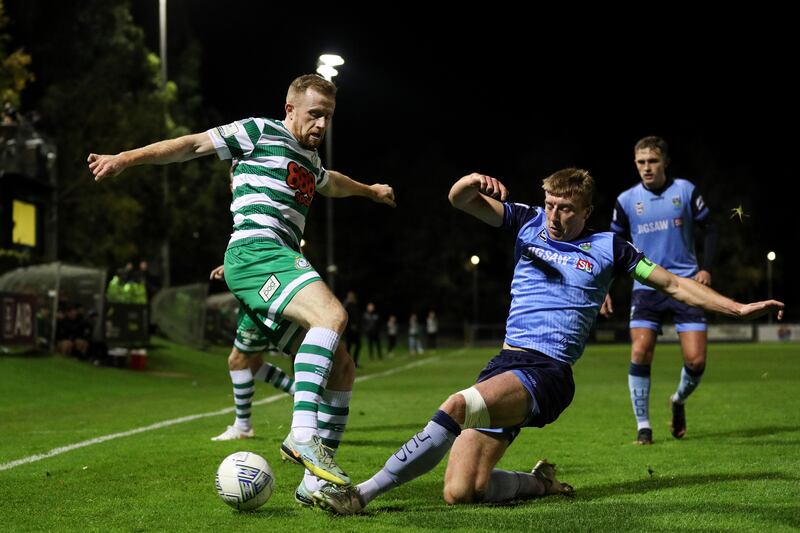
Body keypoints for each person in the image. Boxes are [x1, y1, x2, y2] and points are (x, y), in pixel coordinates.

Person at [311, 169, 783, 514]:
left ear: (586, 211)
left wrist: (737, 308)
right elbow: (459, 200)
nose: (555, 217)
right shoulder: (527, 221)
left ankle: (361, 495)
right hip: (506, 364)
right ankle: (538, 484)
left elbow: (675, 284)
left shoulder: (610, 249)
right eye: (551, 205)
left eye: (566, 209)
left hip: (548, 373)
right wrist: (472, 181)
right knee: (461, 490)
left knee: (455, 405)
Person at [88, 74, 396, 492]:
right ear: (289, 109)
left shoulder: (310, 160)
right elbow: (191, 145)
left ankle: (316, 482)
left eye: (329, 117)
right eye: (315, 114)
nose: (322, 125)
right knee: (332, 315)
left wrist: (370, 191)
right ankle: (302, 434)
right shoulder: (258, 131)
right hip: (257, 252)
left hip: (274, 259)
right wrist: (126, 157)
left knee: (342, 368)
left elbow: (333, 183)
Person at [602, 136, 719, 445]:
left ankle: (678, 400)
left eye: (652, 161)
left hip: (686, 285)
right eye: (641, 162)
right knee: (640, 351)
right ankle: (644, 427)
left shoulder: (686, 191)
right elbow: (614, 248)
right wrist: (606, 287)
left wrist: (705, 267)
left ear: (665, 161)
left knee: (696, 361)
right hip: (646, 286)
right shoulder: (626, 200)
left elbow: (711, 228)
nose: (646, 168)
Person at [208, 264, 297, 441]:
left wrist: (238, 267)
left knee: (237, 360)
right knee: (254, 365)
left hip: (258, 300)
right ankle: (304, 396)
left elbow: (265, 250)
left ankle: (243, 427)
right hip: (255, 299)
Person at [342, 291, 362, 367]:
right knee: (349, 346)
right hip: (349, 330)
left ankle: (354, 362)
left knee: (357, 345)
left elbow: (357, 317)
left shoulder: (355, 305)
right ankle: (349, 363)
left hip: (355, 330)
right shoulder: (347, 305)